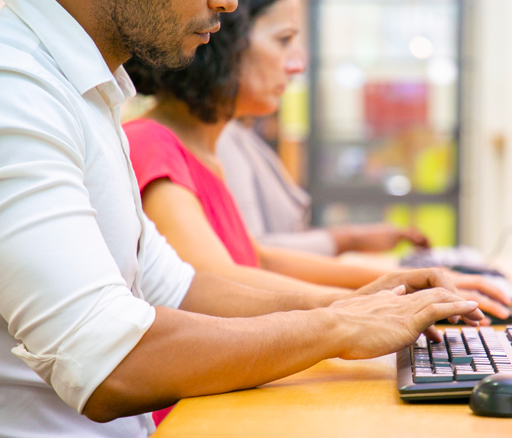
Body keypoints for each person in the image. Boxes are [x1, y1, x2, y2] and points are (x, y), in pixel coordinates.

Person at [0, 0, 484, 436]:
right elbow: (107, 362)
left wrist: (353, 304)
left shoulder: (87, 94)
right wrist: (337, 326)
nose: (227, 3)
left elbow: (182, 289)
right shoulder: (16, 86)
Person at [123, 0, 512, 318]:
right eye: (283, 40)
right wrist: (364, 303)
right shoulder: (150, 143)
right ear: (220, 40)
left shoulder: (203, 152)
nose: (297, 65)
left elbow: (259, 260)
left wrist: (399, 282)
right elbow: (213, 281)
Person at [218, 116, 430, 256]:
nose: (296, 66)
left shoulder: (242, 136)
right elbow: (256, 252)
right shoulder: (224, 140)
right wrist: (351, 240)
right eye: (282, 44)